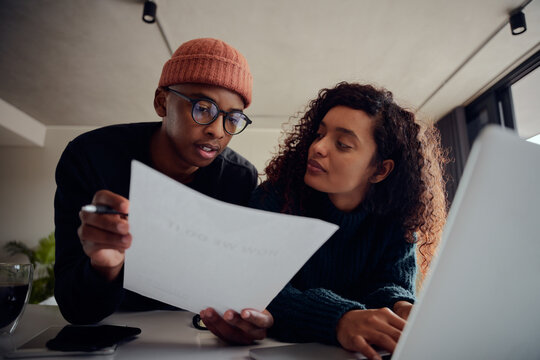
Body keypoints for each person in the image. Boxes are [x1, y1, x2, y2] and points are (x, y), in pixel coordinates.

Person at [54, 37, 273, 344]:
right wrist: (103, 266)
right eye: (203, 107)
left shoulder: (239, 178)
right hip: (111, 326)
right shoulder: (90, 158)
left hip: (192, 335)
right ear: (161, 102)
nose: (217, 130)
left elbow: (231, 283)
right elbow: (74, 307)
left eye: (232, 119)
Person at [248, 82, 448, 359]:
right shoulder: (275, 199)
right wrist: (339, 318)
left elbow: (388, 283)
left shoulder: (397, 220)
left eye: (342, 144)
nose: (317, 147)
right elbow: (255, 287)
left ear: (380, 170)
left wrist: (399, 305)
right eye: (319, 134)